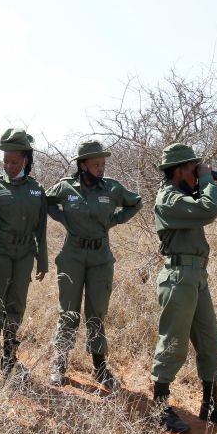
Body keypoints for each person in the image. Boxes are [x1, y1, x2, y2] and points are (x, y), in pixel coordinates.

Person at [150, 143, 217, 434]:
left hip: (197, 275)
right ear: (179, 170)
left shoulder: (183, 196)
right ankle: (160, 407)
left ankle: (211, 404)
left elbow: (204, 205)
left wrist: (201, 180)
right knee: (173, 342)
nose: (199, 172)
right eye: (193, 167)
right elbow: (209, 209)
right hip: (178, 276)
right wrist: (205, 180)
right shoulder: (168, 198)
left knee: (210, 341)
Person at [45, 140, 142, 389]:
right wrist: (63, 218)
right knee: (68, 311)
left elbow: (136, 202)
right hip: (72, 255)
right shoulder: (66, 188)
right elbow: (47, 201)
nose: (101, 168)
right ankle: (59, 363)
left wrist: (115, 220)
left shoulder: (112, 188)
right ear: (82, 165)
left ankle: (100, 369)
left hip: (100, 258)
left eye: (103, 164)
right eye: (96, 164)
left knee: (96, 313)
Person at [0, 128, 48, 380]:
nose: (9, 166)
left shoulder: (36, 189)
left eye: (14, 161)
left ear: (26, 160)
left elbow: (40, 227)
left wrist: (42, 260)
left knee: (16, 306)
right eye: (5, 161)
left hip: (24, 255)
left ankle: (9, 358)